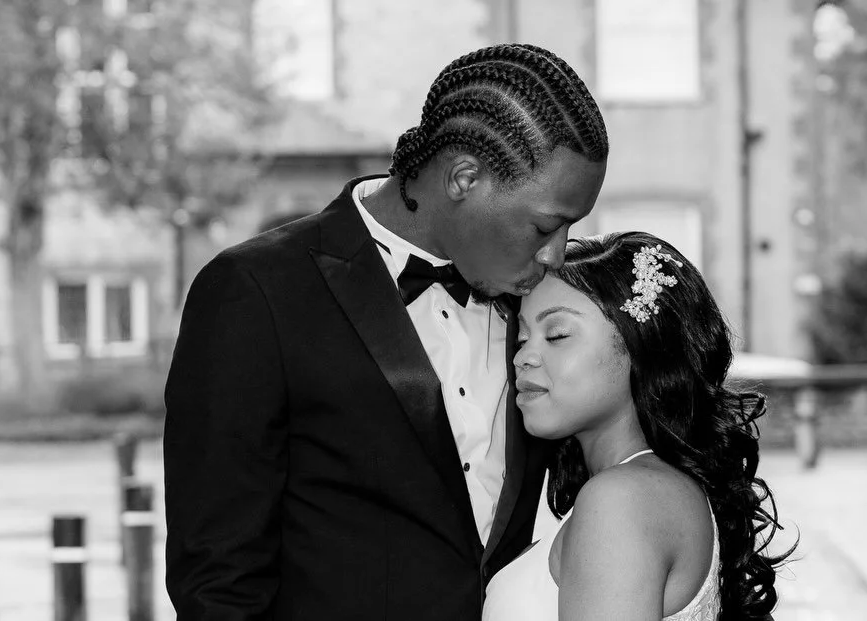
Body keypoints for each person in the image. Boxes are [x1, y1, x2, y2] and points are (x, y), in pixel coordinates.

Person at [163, 43, 608, 620]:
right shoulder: (254, 291)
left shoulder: (546, 307)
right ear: (464, 177)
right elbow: (217, 580)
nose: (556, 254)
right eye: (547, 225)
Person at [483, 232, 796, 621]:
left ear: (640, 347)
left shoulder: (621, 500)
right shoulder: (646, 488)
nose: (523, 357)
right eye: (523, 336)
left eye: (557, 335)